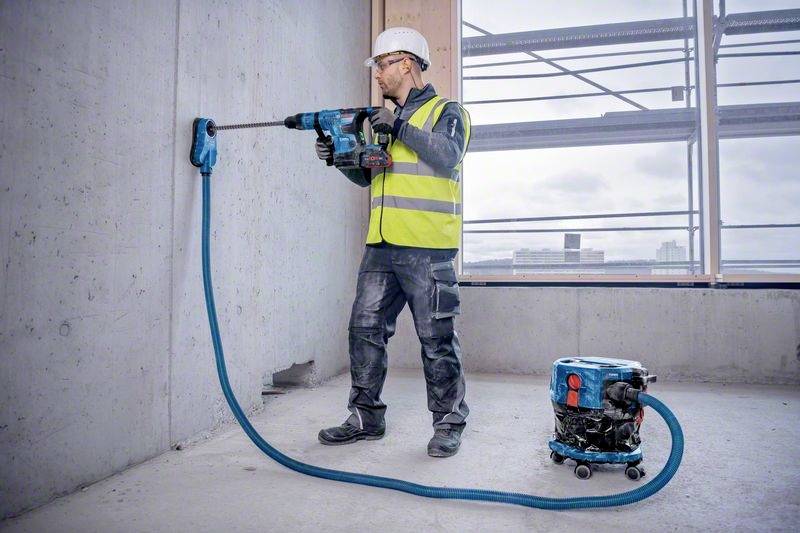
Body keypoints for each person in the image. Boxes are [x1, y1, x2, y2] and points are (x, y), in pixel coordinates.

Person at [316, 27, 471, 457]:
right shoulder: (386, 121)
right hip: (381, 246)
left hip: (426, 249)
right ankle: (366, 416)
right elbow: (370, 174)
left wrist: (399, 125)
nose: (378, 75)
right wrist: (340, 158)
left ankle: (449, 422)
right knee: (364, 329)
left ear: (406, 64)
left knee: (436, 338)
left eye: (382, 65)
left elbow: (446, 155)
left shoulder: (447, 111)